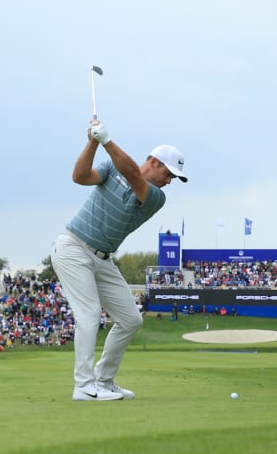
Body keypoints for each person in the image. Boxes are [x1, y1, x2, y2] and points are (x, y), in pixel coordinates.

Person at [51, 117, 187, 401]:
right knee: (89, 314)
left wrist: (106, 141)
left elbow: (134, 176)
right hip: (73, 247)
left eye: (173, 178)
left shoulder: (155, 197)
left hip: (103, 259)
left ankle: (104, 379)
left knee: (131, 319)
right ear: (154, 161)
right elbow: (80, 176)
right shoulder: (111, 167)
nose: (169, 181)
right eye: (168, 174)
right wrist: (92, 143)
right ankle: (84, 386)